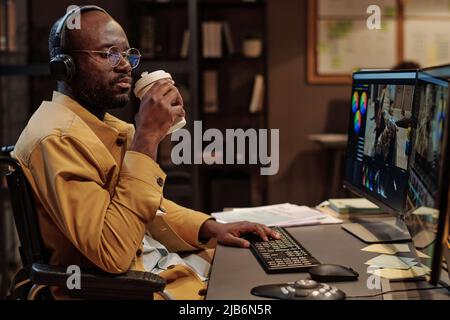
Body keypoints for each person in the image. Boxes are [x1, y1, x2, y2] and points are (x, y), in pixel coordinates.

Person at [12, 6, 279, 300]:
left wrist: (211, 227)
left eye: (127, 54)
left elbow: (148, 208)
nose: (126, 65)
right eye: (108, 54)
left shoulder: (100, 126)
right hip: (136, 289)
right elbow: (110, 252)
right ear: (65, 66)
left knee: (274, 277)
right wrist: (148, 138)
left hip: (163, 269)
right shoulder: (56, 139)